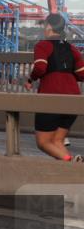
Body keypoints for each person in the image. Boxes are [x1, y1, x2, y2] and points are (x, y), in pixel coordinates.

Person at [25, 13, 84, 162]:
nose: (44, 29)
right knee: (57, 141)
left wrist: (31, 79)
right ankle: (73, 168)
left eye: (45, 26)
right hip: (73, 100)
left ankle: (70, 161)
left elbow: (40, 67)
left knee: (43, 142)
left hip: (51, 99)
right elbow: (82, 74)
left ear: (50, 27)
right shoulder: (72, 48)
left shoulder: (42, 45)